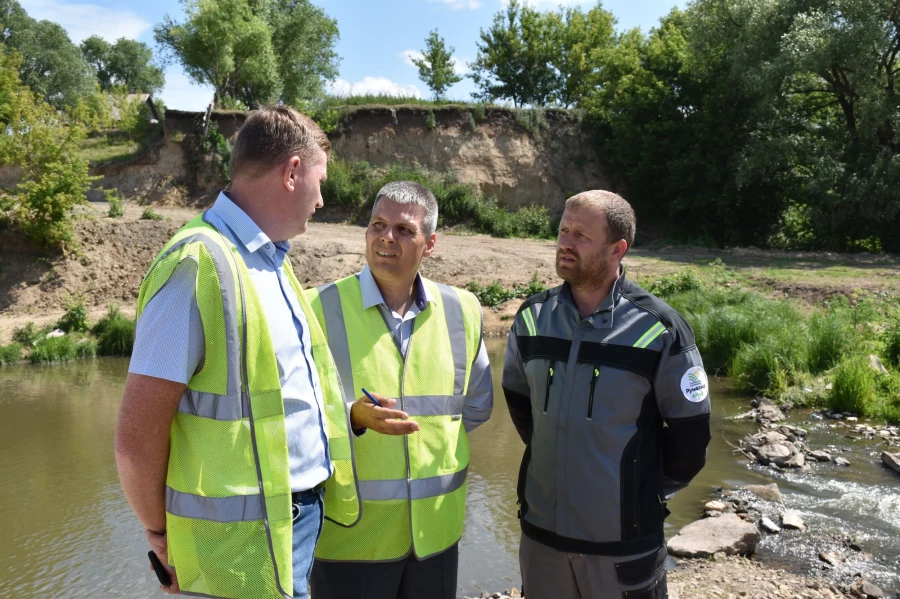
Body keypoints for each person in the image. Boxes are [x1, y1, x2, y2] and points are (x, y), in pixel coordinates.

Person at [115, 106, 410, 599]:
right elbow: (136, 436)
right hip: (234, 549)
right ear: (293, 171)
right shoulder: (198, 263)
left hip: (284, 527)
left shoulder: (266, 260)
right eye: (320, 180)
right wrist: (160, 532)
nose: (322, 198)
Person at [501, 190, 711, 598]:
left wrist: (640, 487)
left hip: (623, 550)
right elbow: (521, 406)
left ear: (617, 249)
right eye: (564, 229)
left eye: (581, 234)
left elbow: (691, 436)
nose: (565, 242)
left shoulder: (659, 329)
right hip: (542, 540)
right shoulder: (531, 318)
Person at [305, 181, 493, 599]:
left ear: (430, 243)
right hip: (350, 539)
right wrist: (351, 416)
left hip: (436, 535)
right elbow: (291, 416)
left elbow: (476, 409)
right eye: (377, 225)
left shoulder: (463, 310)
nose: (387, 238)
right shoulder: (316, 308)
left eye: (405, 230)